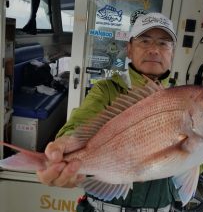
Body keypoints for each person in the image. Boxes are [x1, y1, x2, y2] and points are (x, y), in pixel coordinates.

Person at [37, 12, 179, 212]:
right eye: (145, 41)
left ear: (172, 52)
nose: (154, 50)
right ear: (129, 49)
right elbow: (79, 124)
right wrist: (64, 146)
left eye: (164, 43)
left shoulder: (183, 100)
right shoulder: (106, 90)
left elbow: (195, 163)